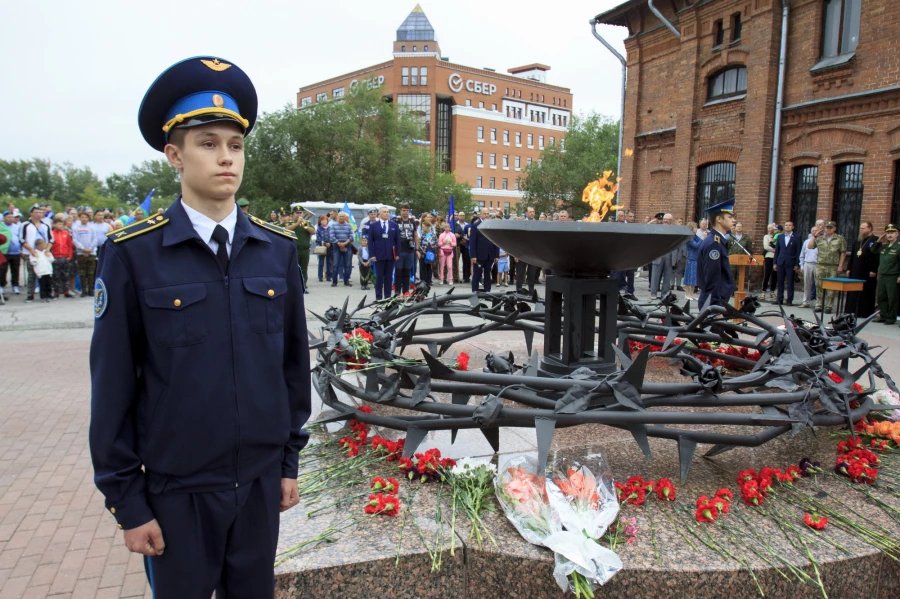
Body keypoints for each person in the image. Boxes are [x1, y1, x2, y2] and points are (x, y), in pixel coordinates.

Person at [90, 56, 310, 599]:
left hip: (259, 485)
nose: (226, 158)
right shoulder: (134, 255)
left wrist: (288, 463)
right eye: (207, 143)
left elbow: (292, 368)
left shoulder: (276, 250)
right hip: (177, 490)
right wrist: (127, 502)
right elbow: (112, 386)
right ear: (174, 155)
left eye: (235, 145)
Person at [697, 199, 736, 308]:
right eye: (730, 217)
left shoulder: (718, 241)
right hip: (713, 302)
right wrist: (715, 306)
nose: (734, 220)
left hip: (717, 301)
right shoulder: (714, 243)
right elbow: (712, 278)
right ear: (719, 219)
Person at [808, 221, 847, 314]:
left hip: (833, 265)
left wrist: (841, 265)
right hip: (821, 264)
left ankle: (829, 306)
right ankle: (819, 305)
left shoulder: (840, 239)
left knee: (831, 286)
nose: (828, 229)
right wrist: (814, 236)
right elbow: (810, 246)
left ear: (834, 228)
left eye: (830, 228)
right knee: (819, 285)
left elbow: (843, 252)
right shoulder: (820, 238)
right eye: (827, 227)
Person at [20, 204, 54, 303]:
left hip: (44, 253)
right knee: (32, 274)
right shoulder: (25, 225)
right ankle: (30, 294)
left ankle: (46, 294)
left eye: (40, 212)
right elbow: (22, 239)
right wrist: (31, 250)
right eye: (36, 212)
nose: (39, 214)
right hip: (31, 253)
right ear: (31, 213)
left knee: (46, 274)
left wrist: (47, 249)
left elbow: (51, 239)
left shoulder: (45, 225)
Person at [844, 221, 879, 318]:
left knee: (866, 292)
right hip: (855, 270)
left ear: (870, 228)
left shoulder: (875, 240)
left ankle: (864, 312)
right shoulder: (858, 241)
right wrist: (848, 268)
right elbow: (852, 256)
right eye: (860, 228)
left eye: (863, 228)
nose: (861, 230)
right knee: (853, 291)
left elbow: (876, 257)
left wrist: (874, 270)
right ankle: (851, 310)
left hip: (867, 271)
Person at [368, 206, 399, 300]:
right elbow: (370, 241)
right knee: (379, 278)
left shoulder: (394, 225)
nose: (386, 213)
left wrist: (397, 254)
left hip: (390, 255)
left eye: (388, 212)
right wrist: (372, 254)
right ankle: (378, 297)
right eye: (384, 212)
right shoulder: (374, 225)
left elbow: (397, 240)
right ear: (379, 214)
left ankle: (388, 297)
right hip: (379, 255)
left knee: (389, 278)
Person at [285, 208, 314, 294]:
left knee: (304, 269)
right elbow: (287, 230)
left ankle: (303, 286)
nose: (299, 215)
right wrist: (297, 223)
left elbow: (313, 231)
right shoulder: (290, 223)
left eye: (300, 213)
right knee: (294, 268)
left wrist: (304, 224)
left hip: (305, 250)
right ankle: (294, 286)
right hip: (294, 249)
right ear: (293, 214)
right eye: (297, 213)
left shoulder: (307, 223)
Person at [875, 224, 900, 325]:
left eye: (892, 233)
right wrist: (878, 241)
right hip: (883, 275)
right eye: (888, 233)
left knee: (892, 298)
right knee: (881, 297)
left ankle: (891, 317)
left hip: (893, 276)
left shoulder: (898, 247)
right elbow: (873, 250)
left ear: (897, 234)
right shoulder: (884, 246)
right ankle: (883, 315)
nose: (890, 235)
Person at [469, 207, 498, 292]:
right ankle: (474, 291)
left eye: (488, 214)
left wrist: (496, 255)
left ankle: (487, 292)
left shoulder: (492, 226)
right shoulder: (475, 226)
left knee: (487, 274)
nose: (486, 215)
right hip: (479, 255)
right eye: (484, 214)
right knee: (477, 275)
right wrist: (473, 255)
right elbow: (472, 242)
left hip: (490, 255)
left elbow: (495, 241)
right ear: (480, 214)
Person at [773, 220, 802, 306]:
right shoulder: (780, 237)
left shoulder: (797, 237)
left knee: (790, 282)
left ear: (793, 227)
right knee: (780, 281)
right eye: (786, 225)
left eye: (789, 225)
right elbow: (777, 250)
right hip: (781, 262)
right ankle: (779, 299)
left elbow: (798, 251)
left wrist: (797, 264)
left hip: (791, 262)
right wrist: (775, 263)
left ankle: (789, 300)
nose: (787, 227)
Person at [72, 211, 99, 297]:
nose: (84, 219)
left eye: (86, 217)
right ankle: (84, 290)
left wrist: (90, 249)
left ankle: (90, 289)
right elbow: (75, 240)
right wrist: (83, 249)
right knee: (82, 273)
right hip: (81, 253)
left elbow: (95, 239)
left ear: (88, 218)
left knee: (91, 273)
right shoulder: (76, 228)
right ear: (80, 218)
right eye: (82, 217)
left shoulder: (92, 227)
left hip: (91, 253)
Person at [650, 214, 677, 299]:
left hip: (669, 255)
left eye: (667, 219)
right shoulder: (658, 228)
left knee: (667, 277)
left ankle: (664, 294)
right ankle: (653, 294)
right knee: (655, 276)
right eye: (664, 219)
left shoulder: (675, 230)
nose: (665, 221)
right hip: (659, 254)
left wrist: (675, 258)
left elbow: (677, 244)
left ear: (671, 221)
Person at [393, 205, 418, 295]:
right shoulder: (395, 221)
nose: (405, 212)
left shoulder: (412, 221)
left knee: (407, 270)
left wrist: (417, 249)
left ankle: (406, 290)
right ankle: (397, 290)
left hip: (410, 250)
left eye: (407, 210)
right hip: (399, 250)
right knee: (399, 270)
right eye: (404, 210)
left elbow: (415, 235)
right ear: (400, 211)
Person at [50, 216, 75, 298]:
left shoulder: (66, 233)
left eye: (61, 224)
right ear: (54, 225)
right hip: (55, 257)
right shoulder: (51, 233)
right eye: (58, 224)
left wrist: (69, 255)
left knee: (65, 274)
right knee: (56, 275)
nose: (60, 226)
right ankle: (56, 291)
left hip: (64, 257)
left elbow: (69, 245)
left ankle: (66, 291)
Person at [515, 206, 537, 294]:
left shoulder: (537, 223)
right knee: (520, 273)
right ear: (526, 213)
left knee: (531, 274)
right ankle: (519, 291)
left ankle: (531, 292)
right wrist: (516, 254)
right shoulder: (521, 223)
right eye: (530, 212)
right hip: (522, 252)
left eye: (533, 212)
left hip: (533, 253)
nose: (532, 213)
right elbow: (517, 240)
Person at [329, 211, 354, 287]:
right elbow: (332, 236)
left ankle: (346, 281)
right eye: (340, 216)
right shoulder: (333, 225)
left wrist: (344, 244)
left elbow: (351, 236)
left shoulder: (349, 226)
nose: (342, 218)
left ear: (345, 217)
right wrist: (339, 244)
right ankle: (334, 281)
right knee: (336, 264)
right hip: (337, 246)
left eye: (343, 216)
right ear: (337, 217)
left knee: (348, 264)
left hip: (347, 245)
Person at [0, 211, 20, 295]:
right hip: (5, 252)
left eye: (12, 217)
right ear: (4, 218)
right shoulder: (2, 227)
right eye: (8, 217)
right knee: (3, 270)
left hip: (16, 252)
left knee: (15, 270)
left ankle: (15, 285)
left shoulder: (17, 227)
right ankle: (2, 286)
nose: (10, 218)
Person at [799, 225, 819, 309]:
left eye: (816, 231)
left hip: (818, 264)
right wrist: (802, 265)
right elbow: (802, 254)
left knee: (818, 284)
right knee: (807, 284)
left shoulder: (821, 241)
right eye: (813, 231)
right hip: (808, 263)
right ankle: (806, 301)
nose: (814, 232)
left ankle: (818, 303)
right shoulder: (807, 242)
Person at [682, 222, 703, 300]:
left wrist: (703, 238)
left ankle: (692, 294)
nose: (696, 229)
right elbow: (696, 245)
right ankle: (687, 294)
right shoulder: (689, 238)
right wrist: (703, 238)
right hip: (691, 259)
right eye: (695, 227)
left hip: (697, 258)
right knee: (689, 277)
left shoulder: (695, 236)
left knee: (695, 277)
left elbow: (701, 242)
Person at [417, 216, 437, 286]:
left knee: (429, 267)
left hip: (430, 254)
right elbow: (419, 244)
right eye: (422, 227)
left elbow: (435, 244)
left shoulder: (433, 235)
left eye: (423, 227)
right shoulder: (422, 234)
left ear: (428, 227)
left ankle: (428, 280)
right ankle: (423, 280)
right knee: (422, 267)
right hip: (423, 253)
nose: (422, 228)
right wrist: (422, 250)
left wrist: (433, 250)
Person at [761, 223, 777, 300]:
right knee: (767, 274)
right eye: (768, 228)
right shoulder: (767, 237)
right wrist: (774, 250)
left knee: (775, 275)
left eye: (771, 228)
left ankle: (772, 291)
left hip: (776, 257)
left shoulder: (778, 236)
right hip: (769, 256)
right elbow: (766, 246)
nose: (769, 229)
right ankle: (763, 291)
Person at [315, 215, 331, 282]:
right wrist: (324, 243)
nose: (324, 221)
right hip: (322, 247)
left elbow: (332, 236)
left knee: (329, 262)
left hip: (330, 247)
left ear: (327, 221)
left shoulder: (330, 228)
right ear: (320, 221)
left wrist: (330, 243)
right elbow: (318, 238)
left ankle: (328, 276)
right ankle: (320, 276)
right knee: (321, 262)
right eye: (322, 220)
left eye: (325, 220)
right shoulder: (319, 229)